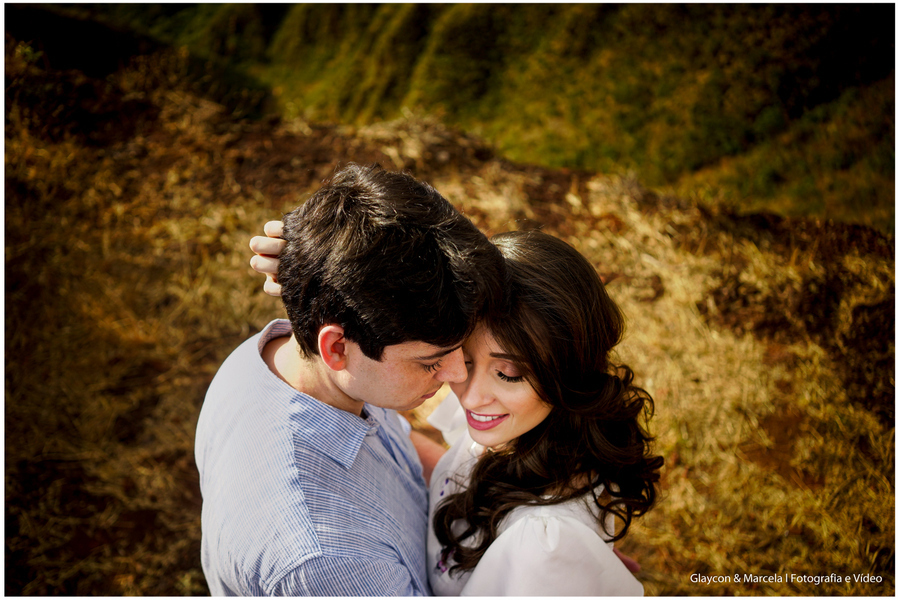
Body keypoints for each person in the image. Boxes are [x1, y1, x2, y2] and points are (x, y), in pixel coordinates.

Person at [251, 224, 662, 594]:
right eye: (464, 358)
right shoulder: (515, 430)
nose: (469, 394)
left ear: (566, 372)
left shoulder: (542, 548)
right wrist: (325, 281)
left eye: (510, 373)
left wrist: (563, 571)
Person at [196, 163, 504, 595]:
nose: (456, 375)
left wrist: (519, 529)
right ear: (336, 348)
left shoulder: (288, 359)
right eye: (430, 362)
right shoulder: (328, 562)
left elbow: (388, 447)